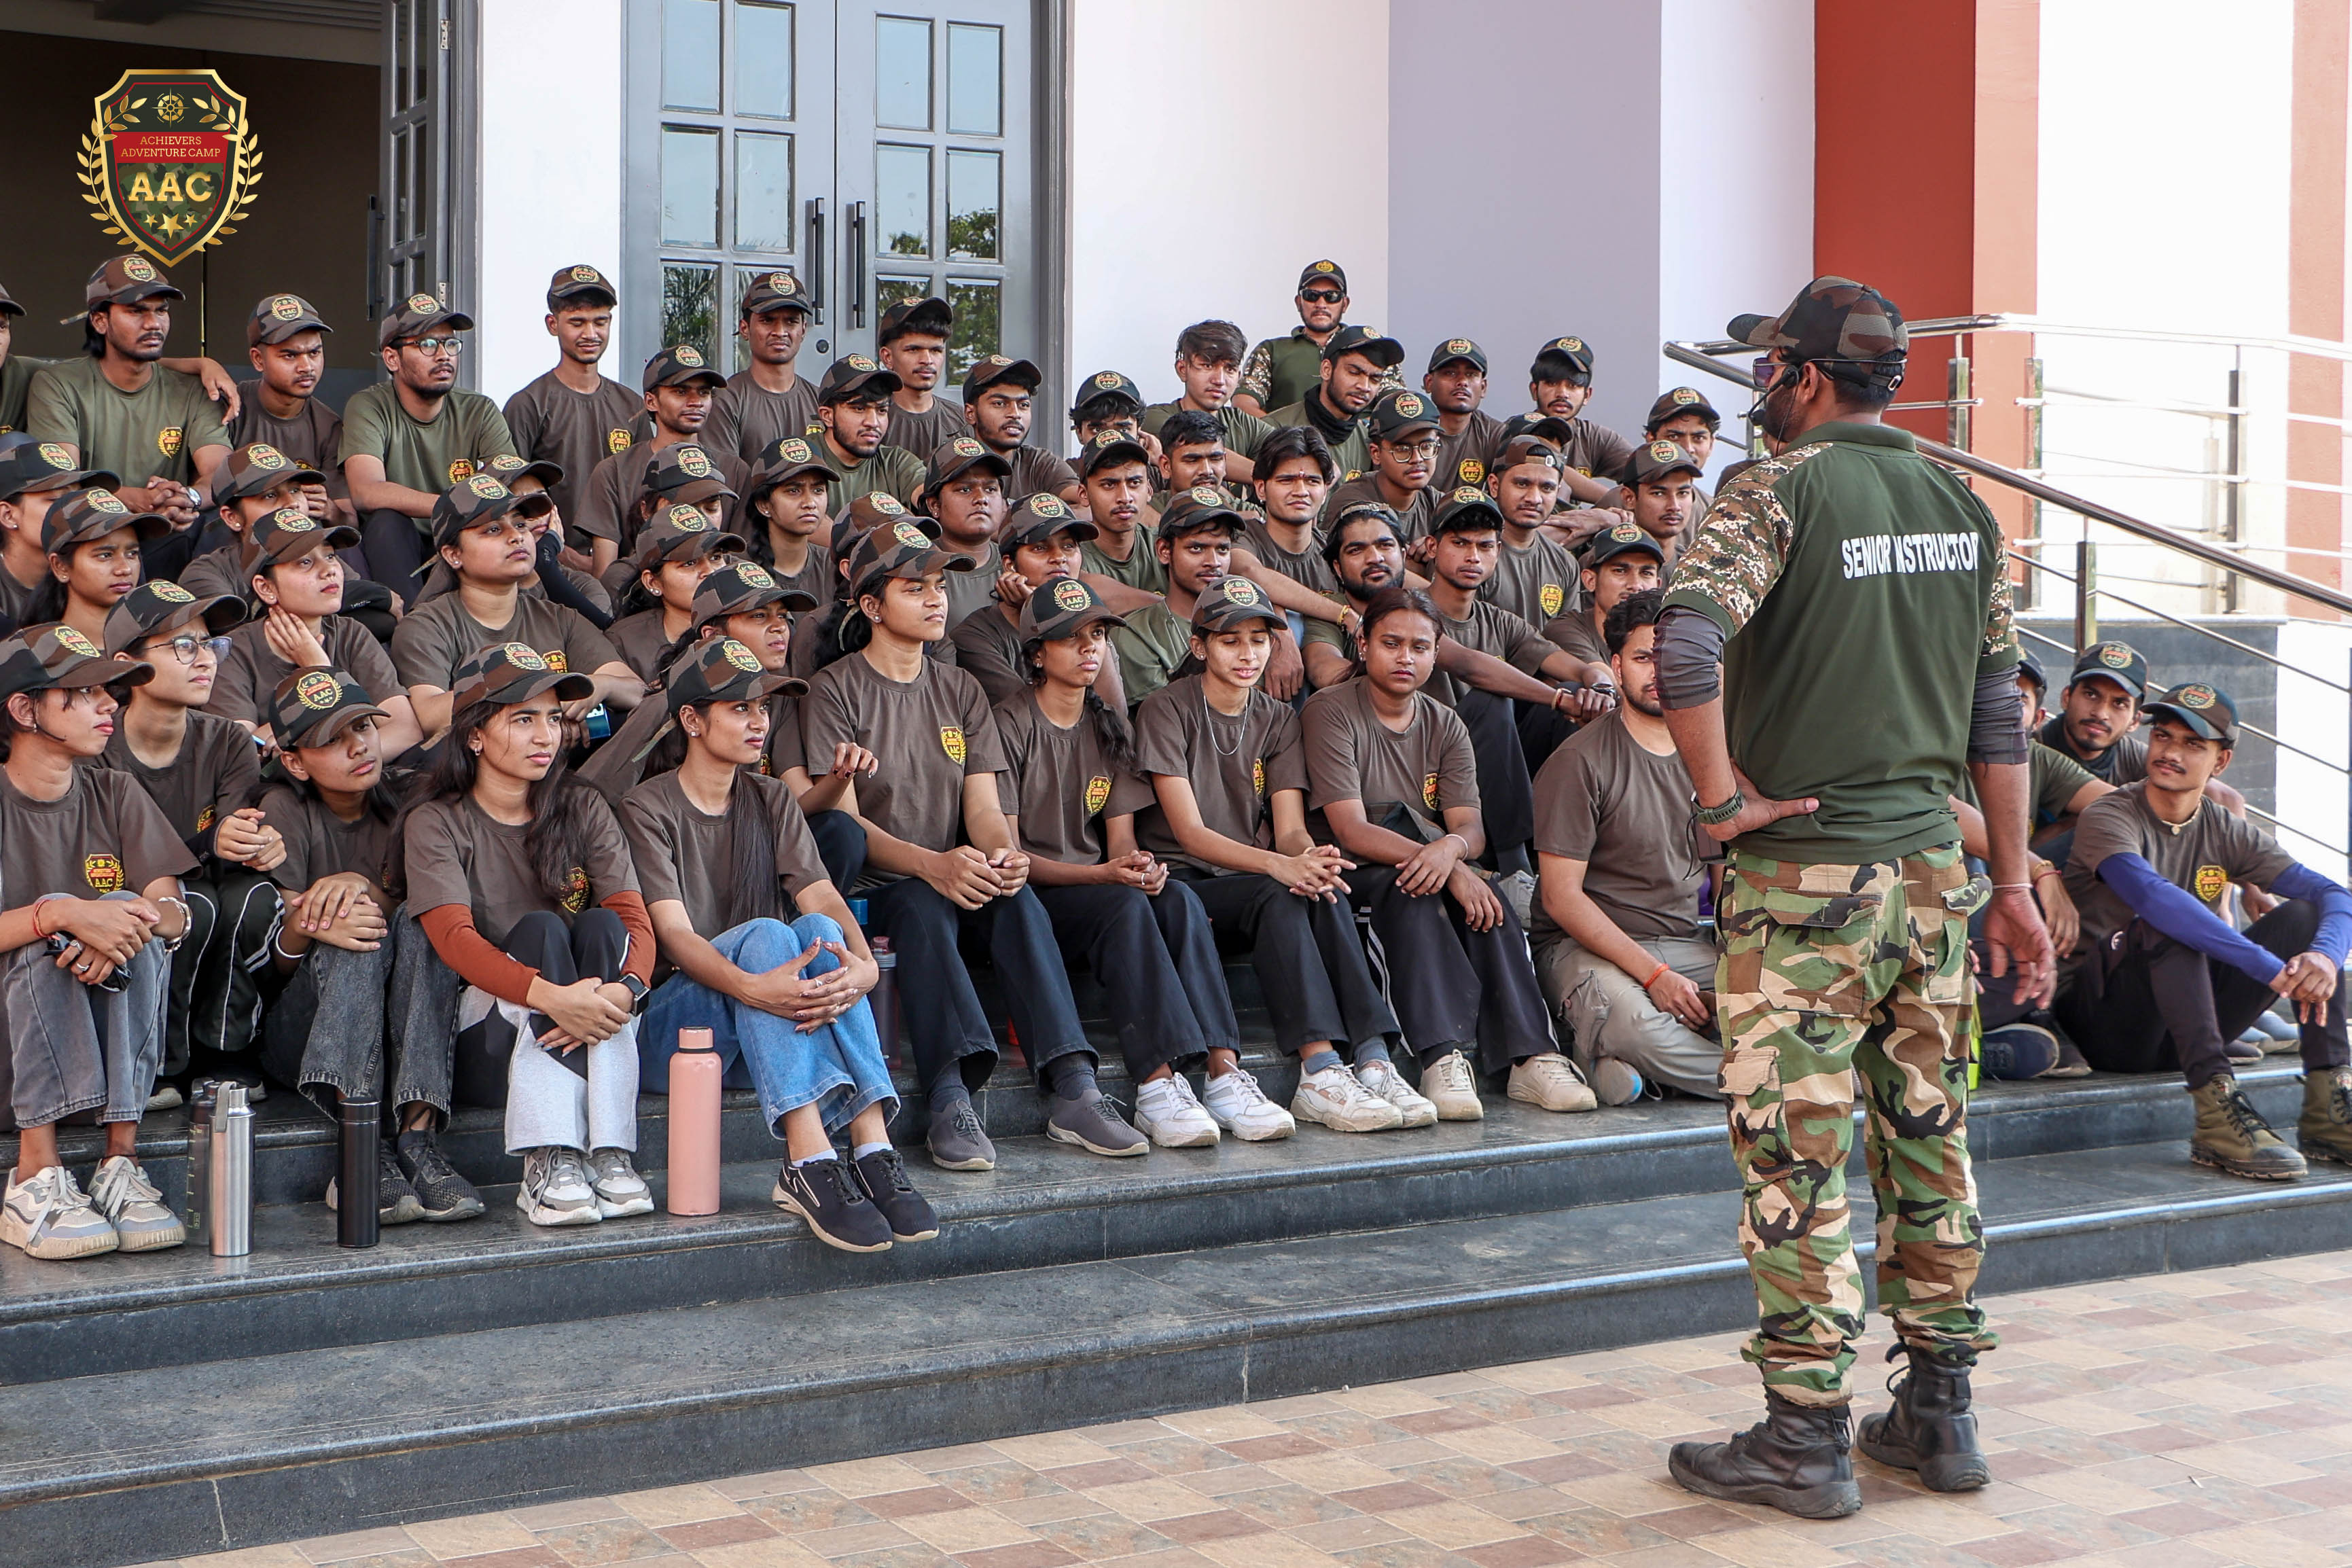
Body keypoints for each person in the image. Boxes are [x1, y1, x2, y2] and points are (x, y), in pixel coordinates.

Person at [1657, 278, 2052, 1518]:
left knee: (1797, 1156)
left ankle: (1803, 1434)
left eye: (1769, 365)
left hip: (1803, 889)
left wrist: (1720, 803)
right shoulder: (1962, 504)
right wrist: (2010, 881)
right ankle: (1939, 1413)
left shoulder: (1772, 491)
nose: (1760, 386)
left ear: (1806, 375)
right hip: (1933, 883)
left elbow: (1682, 643)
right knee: (1929, 1136)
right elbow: (1999, 715)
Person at [800, 520, 1143, 1169]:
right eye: (914, 588)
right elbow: (847, 826)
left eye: (939, 586)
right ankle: (949, 1096)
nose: (936, 599)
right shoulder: (834, 689)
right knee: (923, 907)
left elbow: (982, 805)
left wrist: (1002, 853)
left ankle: (1074, 1085)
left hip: (952, 870)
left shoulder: (959, 688)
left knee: (1016, 896)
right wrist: (934, 866)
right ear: (871, 605)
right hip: (883, 885)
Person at [624, 636, 938, 1252]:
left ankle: (872, 1145)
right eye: (740, 708)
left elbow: (822, 896)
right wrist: (752, 987)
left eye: (763, 708)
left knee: (821, 935)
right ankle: (807, 1159)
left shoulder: (771, 798)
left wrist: (865, 967)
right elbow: (675, 936)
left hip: (769, 1031)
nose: (759, 722)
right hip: (678, 1032)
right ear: (692, 720)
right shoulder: (647, 805)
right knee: (770, 933)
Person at [1134, 580, 1415, 1134]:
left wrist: (1308, 858)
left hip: (1246, 877)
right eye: (1230, 640)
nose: (1248, 654)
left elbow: (1288, 830)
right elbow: (1190, 833)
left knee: (1323, 886)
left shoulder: (1279, 718)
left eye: (1259, 640)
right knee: (1279, 892)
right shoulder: (1166, 709)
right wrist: (1278, 865)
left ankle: (1373, 1057)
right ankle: (1319, 1068)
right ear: (1199, 647)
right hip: (1183, 881)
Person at [393, 642, 658, 1227]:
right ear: (474, 736)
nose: (546, 736)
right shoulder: (436, 820)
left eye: (553, 719)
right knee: (540, 930)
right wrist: (553, 997)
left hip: (589, 1020)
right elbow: (453, 940)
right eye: (522, 719)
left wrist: (628, 989)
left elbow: (635, 920)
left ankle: (609, 1151)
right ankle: (548, 1154)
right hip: (487, 1040)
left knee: (602, 924)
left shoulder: (582, 805)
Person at [1302, 587, 1590, 1122]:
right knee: (1415, 889)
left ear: (1437, 654)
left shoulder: (1445, 721)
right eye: (1391, 643)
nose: (1405, 658)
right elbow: (1352, 829)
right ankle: (1440, 1057)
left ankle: (1532, 1057)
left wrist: (1453, 855)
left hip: (1429, 859)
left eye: (1420, 647)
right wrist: (1450, 869)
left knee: (1490, 899)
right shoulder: (1329, 711)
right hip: (1354, 874)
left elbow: (1470, 828)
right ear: (1363, 646)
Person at [995, 577, 1255, 1148]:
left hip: (1095, 889)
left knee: (1176, 895)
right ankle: (1157, 1083)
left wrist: (1138, 868)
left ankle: (1223, 1070)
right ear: (1037, 654)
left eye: (1097, 635)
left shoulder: (1108, 725)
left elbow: (1119, 842)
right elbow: (1010, 855)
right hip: (1034, 898)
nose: (1089, 648)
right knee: (1121, 905)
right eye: (1071, 638)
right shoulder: (1009, 722)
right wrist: (1105, 877)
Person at [2055, 682, 2352, 1177]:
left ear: (2221, 762)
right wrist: (2266, 967)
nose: (2170, 752)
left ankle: (2330, 1107)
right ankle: (2217, 1114)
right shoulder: (2109, 815)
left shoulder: (2224, 828)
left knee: (2306, 919)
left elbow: (2334, 894)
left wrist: (2324, 955)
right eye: (2163, 737)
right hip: (2106, 1022)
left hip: (2186, 1020)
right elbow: (2153, 898)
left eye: (2193, 744)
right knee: (2168, 921)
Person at [251, 666, 484, 1225]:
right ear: (295, 762)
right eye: (333, 739)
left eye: (363, 727)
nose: (359, 746)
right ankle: (360, 1144)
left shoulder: (408, 798)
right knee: (358, 935)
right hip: (304, 1034)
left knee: (420, 923)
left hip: (400, 1026)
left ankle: (418, 1140)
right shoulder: (283, 809)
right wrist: (317, 920)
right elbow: (276, 964)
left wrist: (362, 887)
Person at [0, 624, 194, 1259]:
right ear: (24, 709)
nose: (109, 704)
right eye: (83, 693)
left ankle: (120, 1164)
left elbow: (173, 912)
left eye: (107, 691)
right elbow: (50, 923)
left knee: (127, 918)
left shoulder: (114, 789)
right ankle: (33, 1175)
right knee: (46, 937)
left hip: (100, 1056)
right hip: (12, 1058)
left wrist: (116, 922)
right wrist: (60, 915)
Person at [1531, 589, 1722, 1104]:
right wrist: (1655, 976)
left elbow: (1724, 873)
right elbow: (1561, 899)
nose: (1659, 672)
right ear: (1616, 667)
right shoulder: (1580, 762)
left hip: (1683, 942)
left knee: (1777, 996)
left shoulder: (1710, 756)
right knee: (1639, 1028)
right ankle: (1772, 1085)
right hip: (1585, 948)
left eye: (1671, 660)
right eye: (1643, 658)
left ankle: (1620, 1066)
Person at [99, 584, 281, 1088]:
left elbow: (234, 837)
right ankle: (163, 1058)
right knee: (190, 903)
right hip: (129, 889)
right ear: (127, 666)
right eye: (183, 645)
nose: (205, 658)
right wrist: (207, 843)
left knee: (252, 897)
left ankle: (228, 1048)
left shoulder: (228, 739)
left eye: (209, 643)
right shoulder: (98, 745)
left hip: (212, 884)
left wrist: (257, 843)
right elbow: (111, 856)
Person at [390, 477, 643, 738]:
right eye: (493, 530)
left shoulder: (560, 617)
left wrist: (600, 686)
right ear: (454, 555)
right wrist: (540, 700)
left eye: (520, 525)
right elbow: (431, 716)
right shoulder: (427, 625)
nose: (516, 536)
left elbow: (637, 690)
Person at [26, 258, 230, 541]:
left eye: (162, 311)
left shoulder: (195, 388)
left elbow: (220, 473)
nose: (153, 324)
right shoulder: (58, 384)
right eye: (136, 311)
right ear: (100, 321)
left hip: (170, 533)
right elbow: (64, 482)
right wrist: (138, 499)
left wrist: (188, 498)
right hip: (90, 534)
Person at [209, 507, 425, 756]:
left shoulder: (351, 634)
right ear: (266, 588)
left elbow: (406, 731)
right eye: (305, 562)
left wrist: (319, 669)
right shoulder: (235, 652)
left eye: (330, 556)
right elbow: (243, 753)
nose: (329, 570)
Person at [342, 295, 517, 597]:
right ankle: (409, 622)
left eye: (450, 344)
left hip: (460, 537)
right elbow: (366, 491)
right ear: (392, 359)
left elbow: (508, 485)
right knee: (387, 521)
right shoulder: (369, 406)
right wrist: (453, 506)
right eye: (427, 345)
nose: (443, 355)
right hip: (399, 545)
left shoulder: (480, 410)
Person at [575, 346, 745, 574]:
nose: (696, 402)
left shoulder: (735, 470)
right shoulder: (614, 471)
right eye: (681, 392)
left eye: (704, 393)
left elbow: (744, 562)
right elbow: (606, 575)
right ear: (651, 401)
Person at [503, 265, 643, 530]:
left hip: (622, 551)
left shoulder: (632, 405)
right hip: (550, 549)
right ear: (553, 324)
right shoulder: (528, 405)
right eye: (577, 323)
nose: (590, 334)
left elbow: (642, 492)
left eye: (600, 322)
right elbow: (511, 497)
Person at [952, 493, 1120, 708]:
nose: (1059, 557)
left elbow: (1115, 715)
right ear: (1010, 565)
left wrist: (1088, 623)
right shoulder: (975, 636)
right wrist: (1038, 610)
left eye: (1069, 546)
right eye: (1040, 548)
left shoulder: (1093, 623)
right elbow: (1030, 717)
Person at [1109, 488, 1241, 710]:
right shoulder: (1137, 634)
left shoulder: (1247, 626)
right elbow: (1161, 718)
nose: (1213, 562)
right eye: (1197, 548)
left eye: (1222, 549)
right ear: (1164, 551)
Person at [230, 294, 351, 529]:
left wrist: (330, 510)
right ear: (258, 360)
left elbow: (349, 520)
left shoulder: (330, 427)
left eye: (314, 353)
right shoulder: (232, 408)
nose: (306, 367)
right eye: (290, 355)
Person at [1237, 260, 1394, 420]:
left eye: (1332, 297)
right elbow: (1243, 405)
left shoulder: (1373, 347)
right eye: (1311, 295)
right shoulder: (1270, 351)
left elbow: (1396, 405)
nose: (1321, 304)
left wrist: (1355, 431)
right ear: (1299, 302)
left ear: (1345, 304)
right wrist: (1283, 432)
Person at [605, 504, 743, 682]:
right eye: (689, 563)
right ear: (653, 582)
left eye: (716, 558)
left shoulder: (752, 624)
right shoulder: (624, 642)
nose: (709, 571)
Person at [178, 441, 329, 601]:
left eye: (295, 490)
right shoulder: (208, 574)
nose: (292, 503)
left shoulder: (325, 557)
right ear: (232, 517)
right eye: (270, 495)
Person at [707, 270, 820, 463]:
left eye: (791, 321)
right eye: (767, 320)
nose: (780, 332)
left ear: (803, 330)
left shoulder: (821, 400)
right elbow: (725, 477)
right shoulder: (725, 401)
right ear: (745, 329)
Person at [0, 442, 114, 628]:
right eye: (56, 500)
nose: (77, 510)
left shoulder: (104, 569)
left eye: (79, 499)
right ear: (8, 515)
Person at [33, 488, 165, 647]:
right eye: (105, 555)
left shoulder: (159, 646)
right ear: (60, 567)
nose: (125, 569)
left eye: (132, 554)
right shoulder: (38, 652)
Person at [1141, 321, 1272, 479]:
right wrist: (1269, 477)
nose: (1219, 380)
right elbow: (1199, 448)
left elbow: (1289, 454)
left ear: (1239, 376)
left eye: (1230, 369)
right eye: (1207, 366)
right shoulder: (1155, 418)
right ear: (1183, 370)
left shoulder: (1247, 426)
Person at [1263, 325, 1397, 479]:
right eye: (1354, 373)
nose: (1365, 387)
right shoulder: (1274, 429)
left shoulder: (1369, 442)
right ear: (1326, 370)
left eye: (1375, 379)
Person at [1544, 522, 1664, 685]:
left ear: (1658, 585)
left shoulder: (1673, 631)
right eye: (1620, 571)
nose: (1635, 585)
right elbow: (1614, 686)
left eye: (1646, 573)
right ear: (1590, 580)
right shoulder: (1566, 629)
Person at [1520, 336, 1635, 503]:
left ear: (1587, 395)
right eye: (1552, 383)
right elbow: (1551, 467)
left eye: (1573, 385)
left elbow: (1645, 470)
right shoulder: (1517, 429)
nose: (1562, 393)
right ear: (1534, 390)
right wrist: (1620, 500)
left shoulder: (1596, 437)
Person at [1479, 435, 1578, 628]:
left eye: (1547, 488)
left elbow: (1567, 636)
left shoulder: (1565, 563)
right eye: (1522, 484)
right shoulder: (1471, 553)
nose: (1534, 498)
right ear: (1494, 485)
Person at [918, 435, 1014, 630]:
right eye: (965, 489)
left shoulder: (1018, 564)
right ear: (934, 505)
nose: (981, 498)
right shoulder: (917, 566)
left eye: (990, 489)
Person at [963, 357, 1082, 506]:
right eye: (1000, 403)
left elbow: (1088, 506)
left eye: (1023, 405)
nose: (1015, 414)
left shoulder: (1041, 464)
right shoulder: (949, 462)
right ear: (971, 413)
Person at [813, 356, 928, 512]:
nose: (873, 422)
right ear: (827, 416)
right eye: (859, 409)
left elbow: (930, 498)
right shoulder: (802, 460)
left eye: (881, 410)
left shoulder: (896, 462)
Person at [1325, 391, 1442, 544]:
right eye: (1402, 449)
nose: (1417, 458)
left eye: (1427, 446)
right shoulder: (1352, 501)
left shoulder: (1436, 503)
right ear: (1376, 453)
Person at [1241, 426, 1342, 601]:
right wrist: (1341, 613)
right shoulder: (1242, 539)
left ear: (1325, 491)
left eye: (1312, 481)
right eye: (1287, 480)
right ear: (1261, 489)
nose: (1301, 492)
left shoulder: (1334, 550)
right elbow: (1249, 572)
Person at [739, 435, 841, 610]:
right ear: (763, 504)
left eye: (818, 490)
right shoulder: (738, 570)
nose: (810, 503)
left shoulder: (834, 567)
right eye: (794, 491)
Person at [875, 295, 967, 459]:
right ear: (887, 357)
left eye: (936, 350)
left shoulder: (962, 422)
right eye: (913, 350)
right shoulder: (870, 420)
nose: (927, 360)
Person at [1075, 431, 1161, 592]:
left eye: (1134, 483)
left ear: (1149, 490)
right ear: (1084, 494)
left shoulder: (1166, 546)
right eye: (1109, 485)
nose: (1125, 498)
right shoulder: (1072, 556)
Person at [1615, 439, 1707, 561]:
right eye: (1659, 493)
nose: (1674, 506)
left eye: (1682, 493)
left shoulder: (1699, 567)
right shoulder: (1603, 563)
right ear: (1629, 498)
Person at [1068, 369, 1155, 455]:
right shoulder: (1065, 465)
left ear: (1139, 432)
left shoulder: (1156, 463)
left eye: (1123, 430)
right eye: (1098, 430)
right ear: (1079, 433)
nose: (1112, 439)